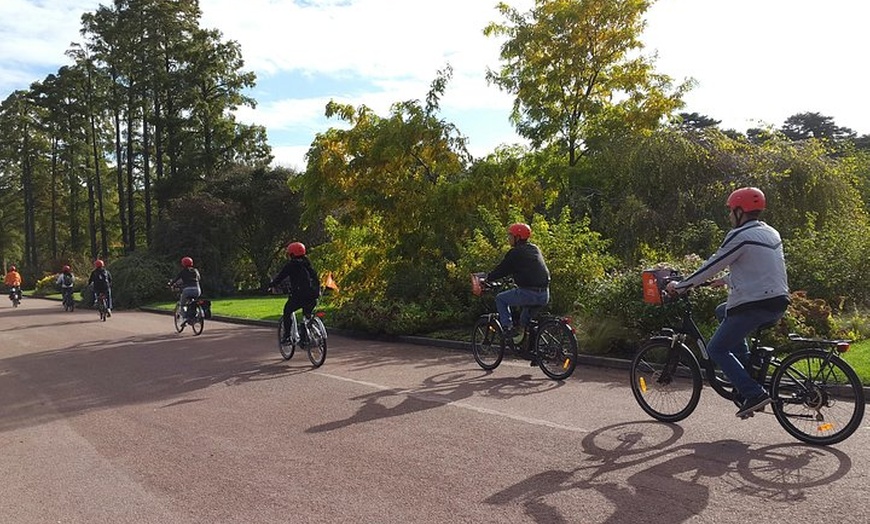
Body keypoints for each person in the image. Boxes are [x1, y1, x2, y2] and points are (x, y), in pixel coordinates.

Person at [666, 187, 790, 419]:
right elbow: (760, 269)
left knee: (716, 349)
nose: (729, 216)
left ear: (740, 211)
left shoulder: (740, 235)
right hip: (777, 301)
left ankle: (754, 393)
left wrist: (682, 286)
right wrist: (724, 281)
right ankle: (746, 370)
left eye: (731, 211)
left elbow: (714, 263)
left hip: (754, 305)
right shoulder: (771, 232)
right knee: (722, 310)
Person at [485, 222, 551, 343]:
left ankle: (507, 329)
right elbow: (530, 267)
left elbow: (502, 270)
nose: (509, 239)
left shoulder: (515, 253)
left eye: (510, 236)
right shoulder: (534, 248)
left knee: (500, 298)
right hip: (544, 295)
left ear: (518, 237)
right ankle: (532, 350)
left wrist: (487, 278)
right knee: (524, 320)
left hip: (528, 294)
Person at [269, 242, 321, 346]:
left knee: (287, 311)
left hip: (299, 296)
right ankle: (306, 335)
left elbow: (280, 277)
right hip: (313, 296)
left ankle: (287, 336)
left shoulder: (291, 265)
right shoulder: (308, 264)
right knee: (307, 315)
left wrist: (271, 285)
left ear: (292, 254)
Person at [168, 256, 201, 324]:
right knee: (193, 303)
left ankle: (185, 318)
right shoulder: (195, 270)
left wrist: (170, 284)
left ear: (183, 264)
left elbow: (175, 280)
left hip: (187, 290)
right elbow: (198, 278)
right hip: (197, 290)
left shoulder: (183, 272)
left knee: (182, 304)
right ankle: (195, 315)